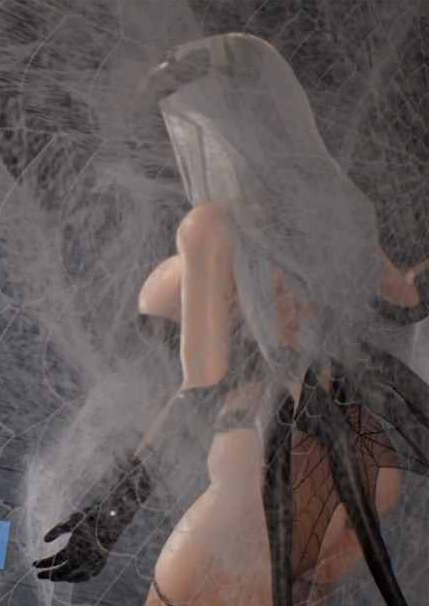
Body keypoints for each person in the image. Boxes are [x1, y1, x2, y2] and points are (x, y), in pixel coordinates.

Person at [33, 33, 429, 606]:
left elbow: (198, 391)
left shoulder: (213, 227)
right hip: (367, 464)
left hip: (261, 479)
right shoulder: (342, 207)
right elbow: (408, 301)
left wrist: (108, 516)